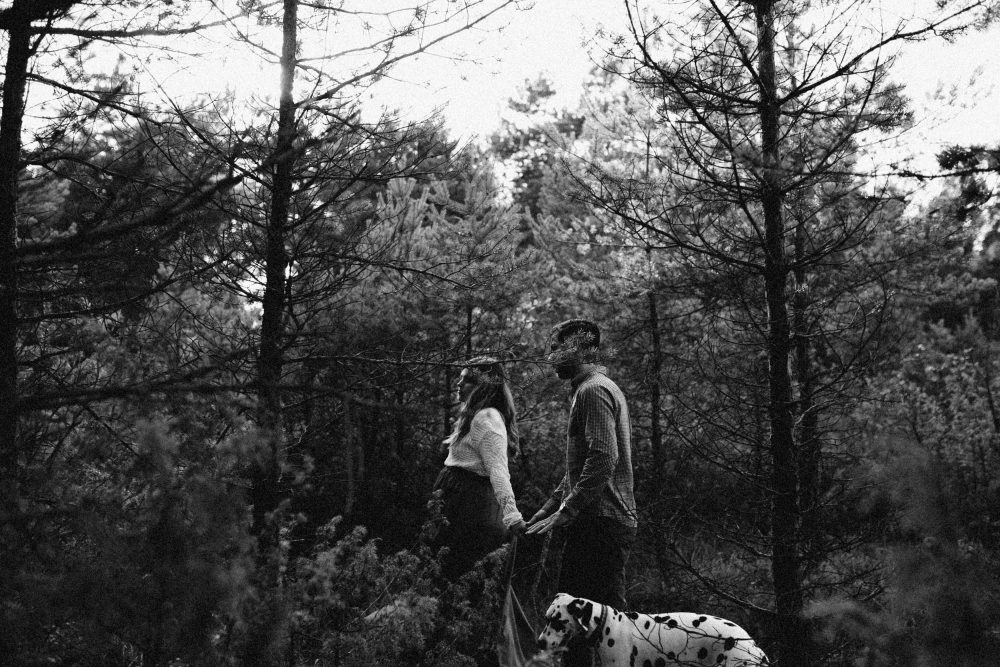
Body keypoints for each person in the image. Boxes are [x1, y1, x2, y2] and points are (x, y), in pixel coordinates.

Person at [526, 319, 637, 667]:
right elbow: (581, 467)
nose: (550, 357)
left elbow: (604, 457)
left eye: (556, 349)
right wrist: (546, 510)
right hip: (596, 523)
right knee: (582, 627)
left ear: (579, 348)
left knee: (607, 632)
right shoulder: (589, 390)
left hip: (600, 525)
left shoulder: (593, 390)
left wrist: (569, 509)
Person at [432, 356, 527, 581]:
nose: (458, 383)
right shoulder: (474, 415)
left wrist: (512, 515)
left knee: (455, 570)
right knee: (439, 566)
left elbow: (498, 470)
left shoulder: (487, 419)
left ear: (481, 386)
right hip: (457, 495)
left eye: (466, 380)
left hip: (470, 503)